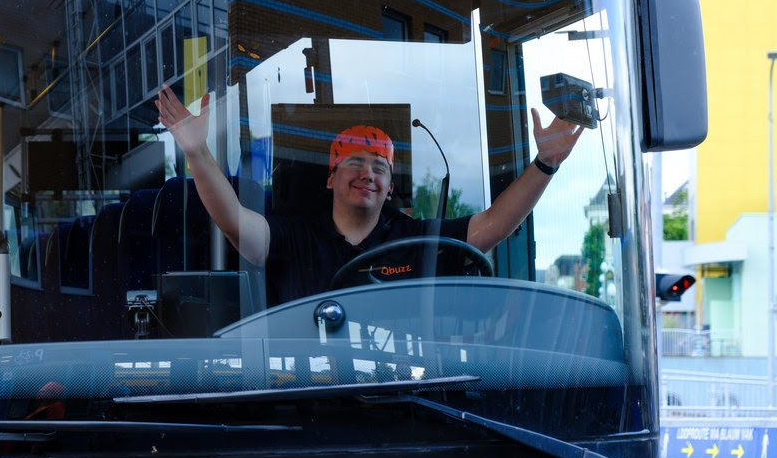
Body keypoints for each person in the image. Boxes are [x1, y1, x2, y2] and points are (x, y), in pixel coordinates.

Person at [155, 84, 583, 305]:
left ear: (390, 186)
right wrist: (196, 150)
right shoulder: (296, 237)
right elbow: (233, 221)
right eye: (354, 163)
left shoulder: (413, 240)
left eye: (379, 167)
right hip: (309, 405)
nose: (368, 174)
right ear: (330, 179)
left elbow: (491, 227)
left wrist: (545, 164)